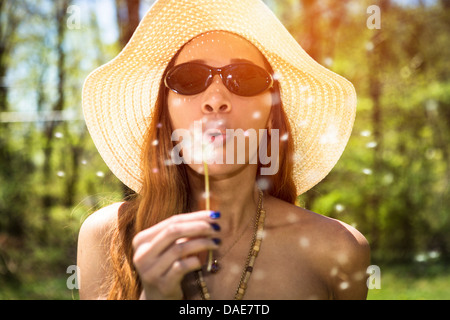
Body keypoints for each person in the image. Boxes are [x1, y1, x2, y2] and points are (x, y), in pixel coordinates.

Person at [78, 0, 370, 300]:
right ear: (165, 112)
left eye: (245, 78)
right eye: (190, 79)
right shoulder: (107, 237)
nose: (216, 99)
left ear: (271, 113)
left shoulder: (338, 249)